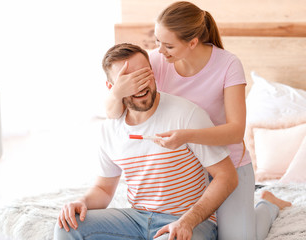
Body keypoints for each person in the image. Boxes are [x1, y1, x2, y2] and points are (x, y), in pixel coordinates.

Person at [104, 2, 292, 240]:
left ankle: (267, 203)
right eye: (157, 41)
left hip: (227, 166)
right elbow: (113, 114)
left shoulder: (228, 64)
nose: (160, 51)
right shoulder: (158, 60)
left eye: (169, 45)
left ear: (192, 42)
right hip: (184, 170)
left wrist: (186, 135)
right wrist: (116, 92)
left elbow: (235, 131)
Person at [54, 43, 239, 240]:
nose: (140, 84)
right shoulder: (110, 129)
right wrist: (82, 202)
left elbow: (226, 177)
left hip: (186, 220)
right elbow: (103, 189)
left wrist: (187, 221)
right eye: (127, 80)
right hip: (137, 219)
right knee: (67, 227)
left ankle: (267, 205)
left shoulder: (186, 115)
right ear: (112, 88)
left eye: (143, 75)